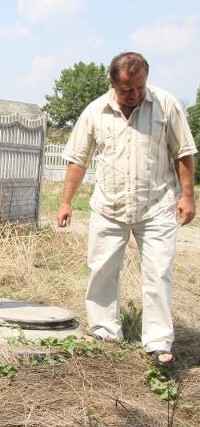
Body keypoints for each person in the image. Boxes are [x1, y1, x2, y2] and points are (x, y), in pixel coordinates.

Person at [57, 51, 197, 366]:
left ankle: (158, 341)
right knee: (102, 270)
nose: (134, 94)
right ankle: (105, 331)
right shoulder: (95, 112)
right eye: (126, 89)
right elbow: (78, 159)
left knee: (158, 273)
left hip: (157, 206)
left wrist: (187, 197)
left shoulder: (166, 106)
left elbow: (184, 153)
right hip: (109, 206)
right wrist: (65, 201)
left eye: (139, 87)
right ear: (112, 83)